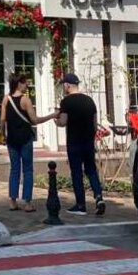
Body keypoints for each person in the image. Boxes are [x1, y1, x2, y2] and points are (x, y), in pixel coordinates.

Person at [0, 74, 55, 211]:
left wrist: (3, 134)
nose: (27, 85)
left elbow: (2, 120)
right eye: (25, 83)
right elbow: (35, 120)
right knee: (28, 170)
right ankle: (27, 202)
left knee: (14, 169)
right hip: (25, 139)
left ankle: (12, 201)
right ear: (19, 83)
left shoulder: (6, 99)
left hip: (12, 139)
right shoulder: (25, 100)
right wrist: (52, 116)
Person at [54, 74, 105, 216]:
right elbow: (94, 124)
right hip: (88, 141)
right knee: (91, 170)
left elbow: (63, 122)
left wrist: (56, 120)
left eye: (64, 85)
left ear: (67, 85)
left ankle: (81, 204)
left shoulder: (66, 102)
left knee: (76, 172)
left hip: (74, 141)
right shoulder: (90, 101)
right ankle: (99, 196)